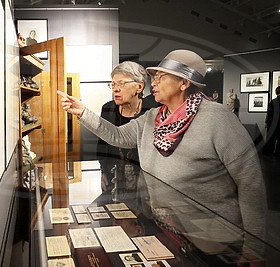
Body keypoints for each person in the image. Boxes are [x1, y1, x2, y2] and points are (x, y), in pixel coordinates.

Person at [57, 49, 266, 260]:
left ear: (183, 83)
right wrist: (83, 112)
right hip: (165, 230)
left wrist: (254, 250)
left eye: (161, 77)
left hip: (212, 241)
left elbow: (250, 184)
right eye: (153, 78)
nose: (153, 83)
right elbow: (117, 136)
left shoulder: (218, 119)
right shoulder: (152, 117)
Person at [96, 61, 160, 194]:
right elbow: (102, 144)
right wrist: (103, 171)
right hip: (113, 176)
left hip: (145, 180)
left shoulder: (153, 110)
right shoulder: (108, 108)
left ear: (139, 87)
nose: (115, 89)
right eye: (113, 84)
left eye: (121, 84)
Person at [264, 86, 280, 156]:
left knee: (270, 139)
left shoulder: (273, 102)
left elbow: (269, 113)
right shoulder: (273, 102)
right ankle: (277, 154)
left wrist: (267, 122)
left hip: (272, 124)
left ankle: (268, 153)